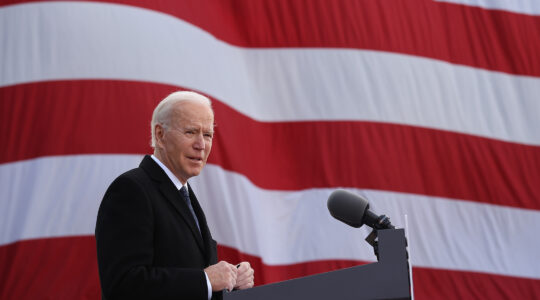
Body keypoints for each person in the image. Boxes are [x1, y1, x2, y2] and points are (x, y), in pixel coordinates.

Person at [95, 91, 254, 299]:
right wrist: (205, 280)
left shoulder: (184, 195)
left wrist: (230, 281)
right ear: (160, 135)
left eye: (207, 135)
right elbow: (123, 285)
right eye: (190, 132)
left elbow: (189, 271)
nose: (201, 145)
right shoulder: (131, 190)